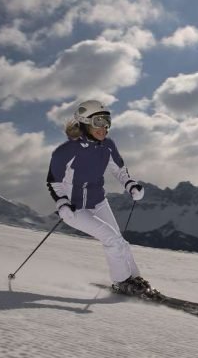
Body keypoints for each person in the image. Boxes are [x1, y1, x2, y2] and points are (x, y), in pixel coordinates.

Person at [47, 100, 151, 296]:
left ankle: (135, 279)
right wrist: (62, 203)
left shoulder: (108, 146)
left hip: (99, 202)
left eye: (107, 121)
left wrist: (131, 185)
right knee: (112, 239)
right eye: (98, 121)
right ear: (85, 123)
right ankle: (122, 282)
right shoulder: (65, 152)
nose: (104, 127)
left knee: (120, 241)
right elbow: (54, 181)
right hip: (74, 208)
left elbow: (119, 170)